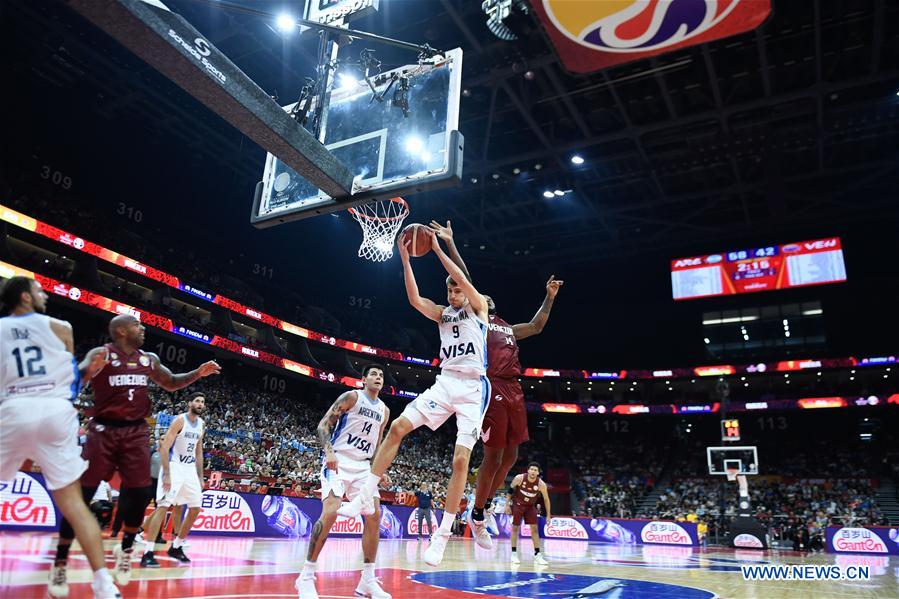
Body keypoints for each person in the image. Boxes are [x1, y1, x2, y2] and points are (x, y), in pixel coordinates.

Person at [339, 233, 491, 567]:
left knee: (460, 462)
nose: (453, 294)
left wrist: (437, 247)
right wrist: (406, 259)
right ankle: (366, 493)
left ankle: (443, 534)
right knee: (397, 427)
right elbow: (413, 299)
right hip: (445, 382)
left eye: (456, 290)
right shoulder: (441, 314)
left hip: (472, 390)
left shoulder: (479, 309)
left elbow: (464, 279)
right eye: (449, 290)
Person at [52, 314, 220, 588]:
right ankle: (60, 561)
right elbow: (76, 380)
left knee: (141, 495)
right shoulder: (101, 355)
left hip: (135, 432)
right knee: (81, 496)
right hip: (103, 431)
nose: (142, 329)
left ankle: (127, 550)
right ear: (120, 331)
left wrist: (197, 373)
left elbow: (172, 382)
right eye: (136, 325)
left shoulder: (149, 359)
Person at [428, 220, 563, 549]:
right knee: (492, 456)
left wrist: (549, 297)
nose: (481, 298)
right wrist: (450, 244)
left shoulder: (507, 327)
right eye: (477, 296)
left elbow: (538, 325)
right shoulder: (477, 321)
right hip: (490, 387)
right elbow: (463, 278)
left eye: (485, 298)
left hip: (515, 390)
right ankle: (476, 513)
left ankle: (483, 507)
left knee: (512, 457)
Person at [0, 276, 121, 599]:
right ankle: (103, 585)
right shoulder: (60, 328)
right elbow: (71, 383)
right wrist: (87, 368)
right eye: (39, 291)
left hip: (13, 409)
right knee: (75, 505)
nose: (45, 296)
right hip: (55, 412)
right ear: (25, 297)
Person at [296, 365, 391, 599]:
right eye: (374, 374)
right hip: (338, 460)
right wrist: (329, 452)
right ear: (363, 379)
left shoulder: (385, 410)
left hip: (363, 466)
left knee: (374, 515)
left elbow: (377, 443)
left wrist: (380, 469)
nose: (378, 378)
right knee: (330, 512)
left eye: (381, 375)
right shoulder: (351, 397)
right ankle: (306, 576)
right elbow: (323, 425)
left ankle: (367, 580)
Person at [139, 392, 207, 566]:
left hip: (189, 468)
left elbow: (198, 452)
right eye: (197, 401)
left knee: (195, 508)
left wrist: (200, 476)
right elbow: (164, 448)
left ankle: (176, 546)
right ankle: (148, 552)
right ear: (190, 403)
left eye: (202, 402)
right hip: (174, 465)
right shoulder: (179, 420)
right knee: (162, 506)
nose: (200, 404)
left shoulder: (201, 424)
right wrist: (167, 474)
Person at [509, 462, 551, 566]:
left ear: (538, 473)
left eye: (535, 470)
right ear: (528, 470)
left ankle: (537, 554)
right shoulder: (519, 478)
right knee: (515, 528)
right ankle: (514, 553)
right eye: (531, 469)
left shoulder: (541, 484)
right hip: (518, 505)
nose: (533, 471)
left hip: (530, 506)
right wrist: (506, 505)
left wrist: (549, 515)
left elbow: (546, 499)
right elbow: (510, 490)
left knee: (535, 529)